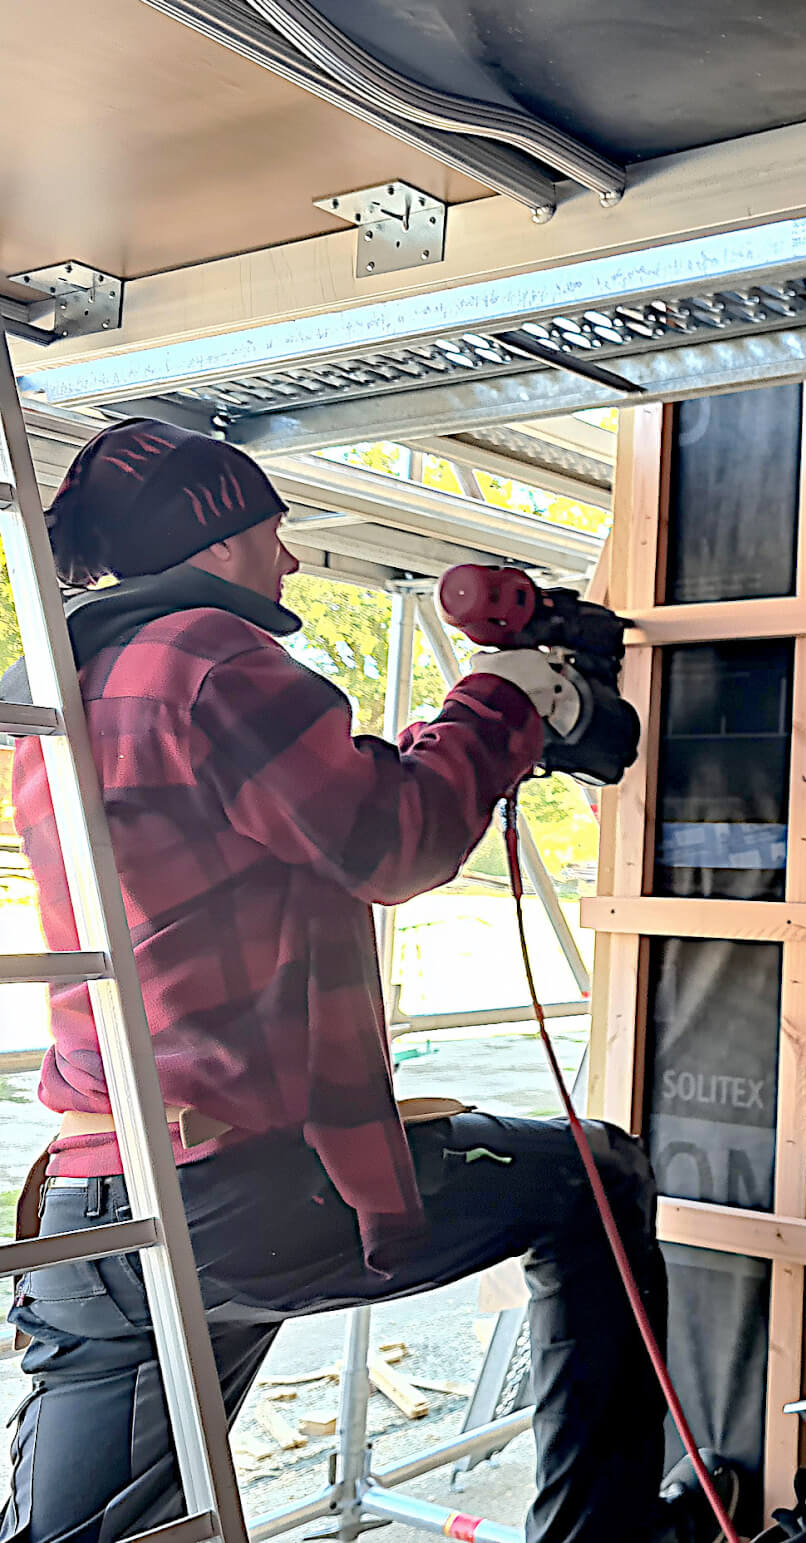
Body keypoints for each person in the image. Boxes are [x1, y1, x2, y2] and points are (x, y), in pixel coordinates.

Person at [1, 420, 668, 1543]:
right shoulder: (209, 658)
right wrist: (502, 700)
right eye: (276, 531)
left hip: (100, 1200)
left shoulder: (65, 686)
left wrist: (474, 718)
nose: (293, 560)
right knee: (594, 1175)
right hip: (243, 1193)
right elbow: (390, 841)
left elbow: (315, 811)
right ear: (217, 539)